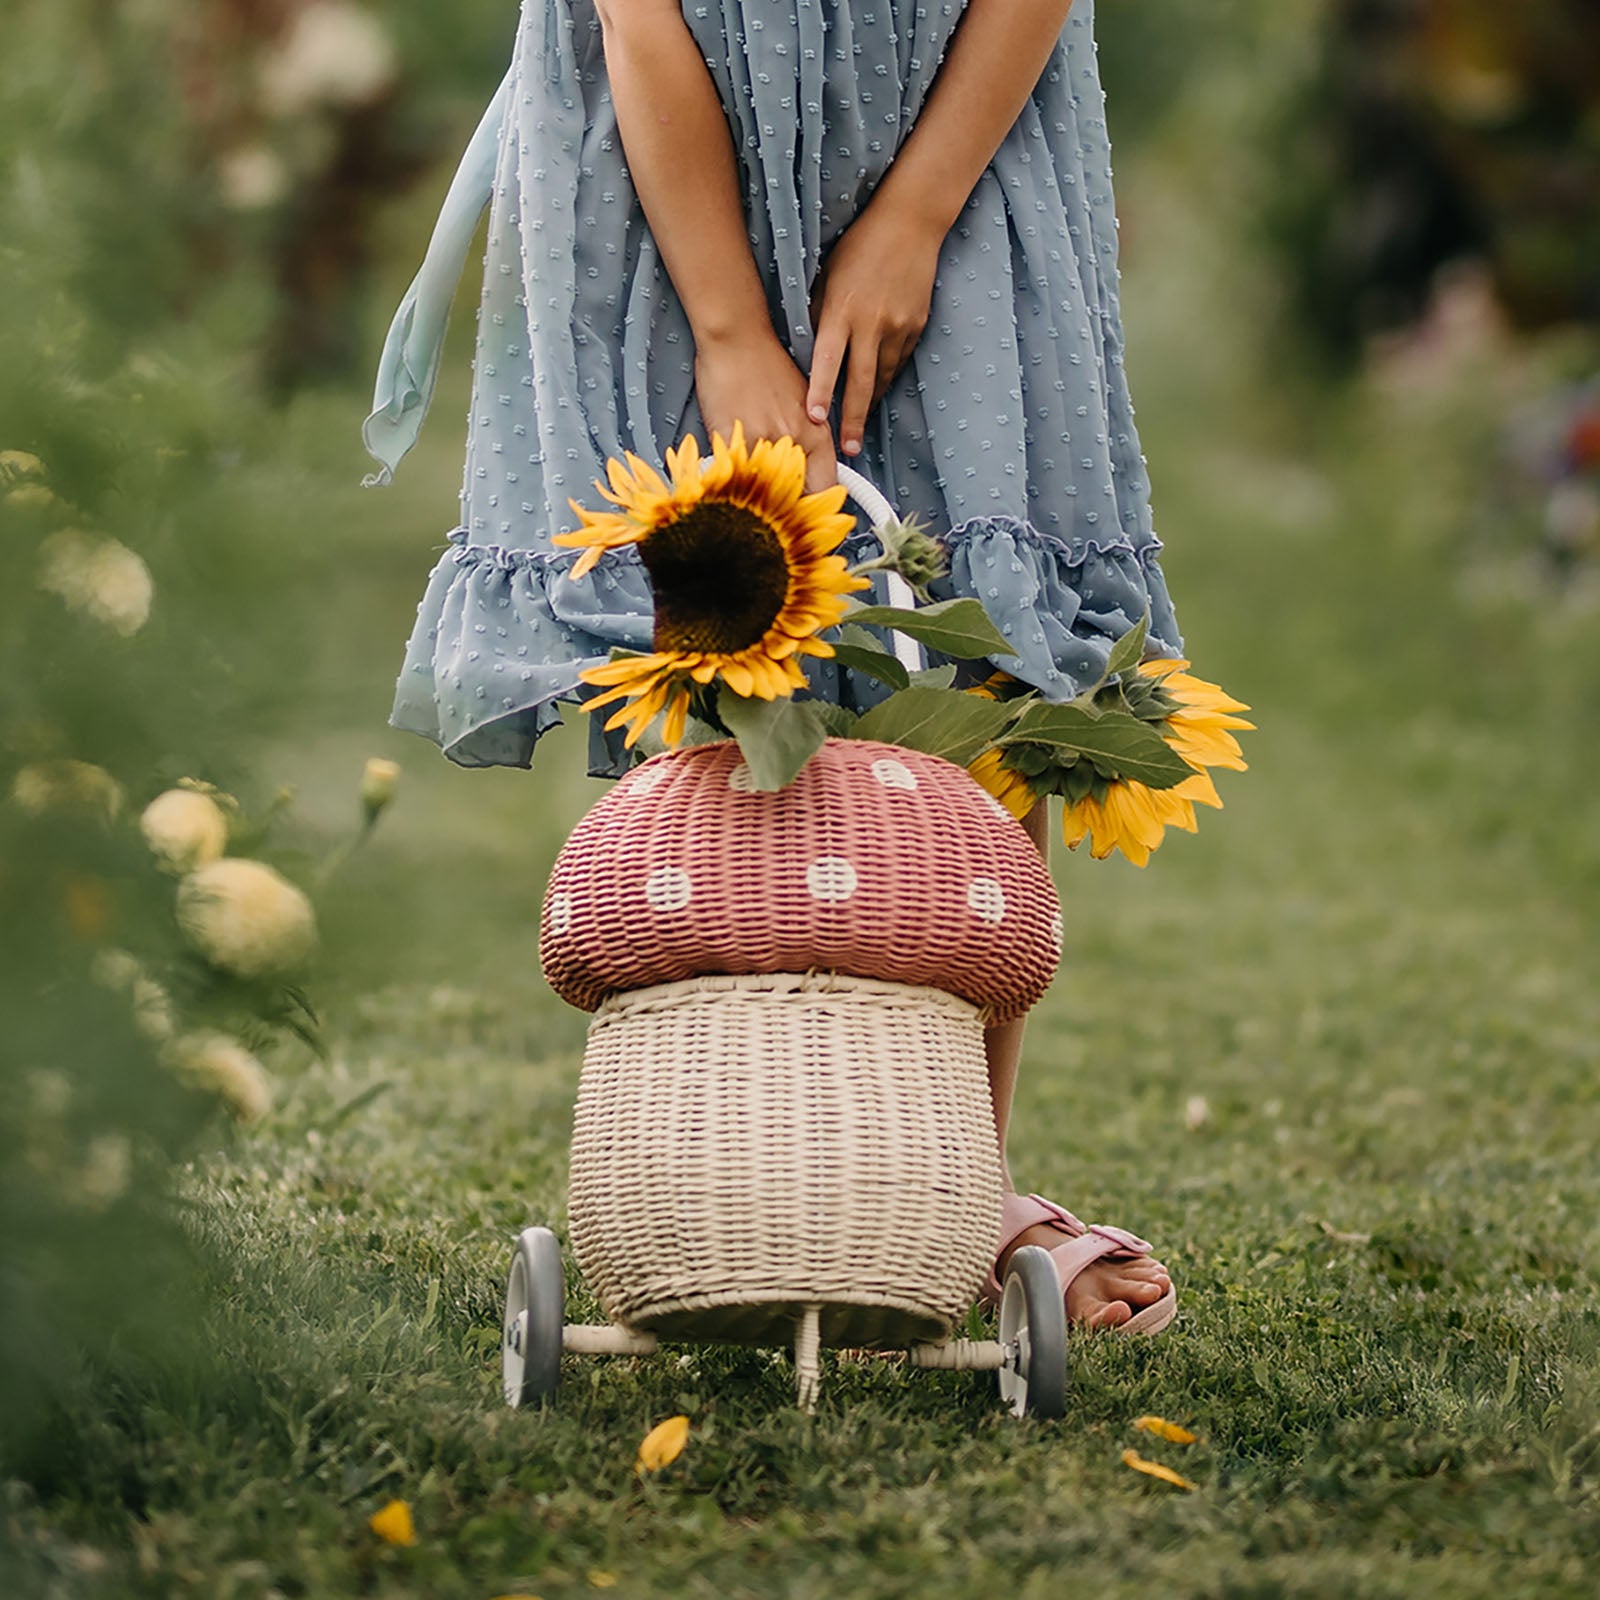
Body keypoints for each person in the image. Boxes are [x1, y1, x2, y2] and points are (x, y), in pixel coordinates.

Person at [365, 0, 1176, 1333]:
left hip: (954, 110)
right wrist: (731, 327)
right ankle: (719, 1158)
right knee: (722, 615)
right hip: (675, 142)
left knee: (977, 614)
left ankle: (958, 1183)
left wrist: (916, 214)